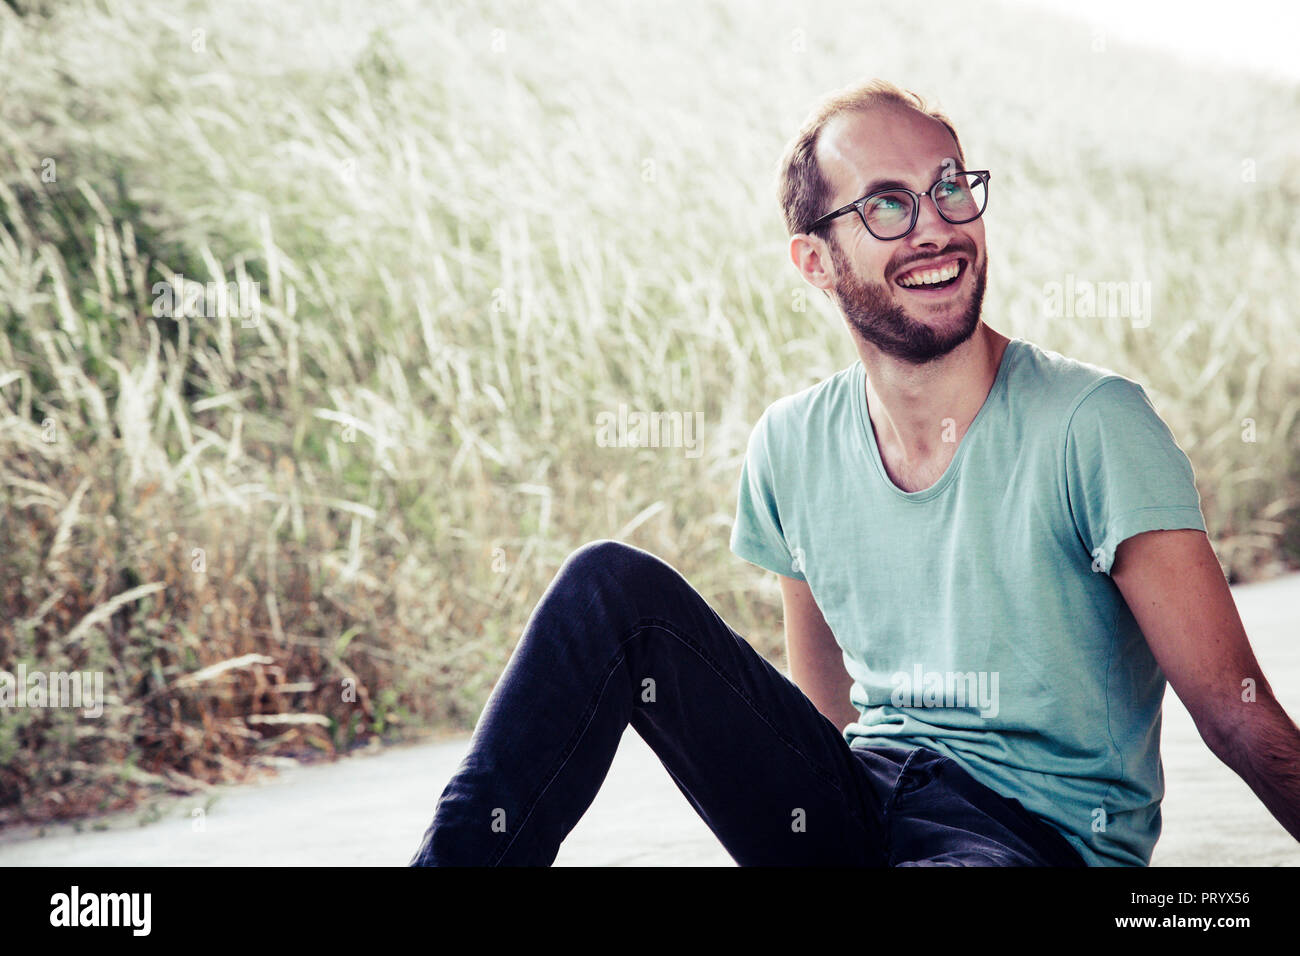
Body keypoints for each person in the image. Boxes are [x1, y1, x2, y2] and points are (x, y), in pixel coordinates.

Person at [410, 78, 1300, 867]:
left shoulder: (1093, 424)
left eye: (950, 188)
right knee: (608, 587)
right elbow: (821, 719)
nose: (936, 228)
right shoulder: (791, 444)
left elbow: (1236, 713)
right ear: (814, 259)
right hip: (853, 800)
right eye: (887, 206)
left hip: (1026, 838)